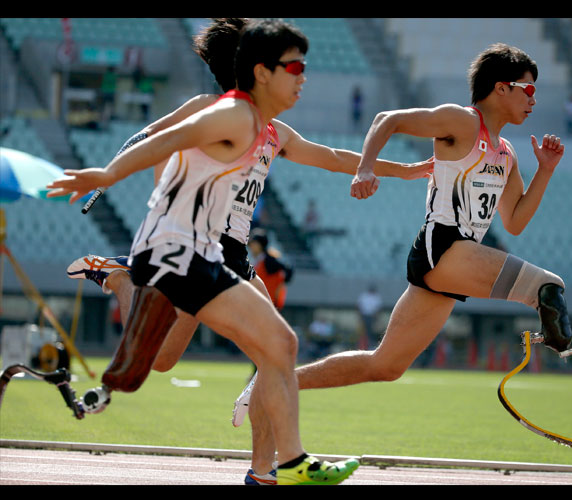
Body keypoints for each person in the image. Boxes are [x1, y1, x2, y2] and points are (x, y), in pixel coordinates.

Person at [62, 18, 432, 486]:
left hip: (224, 252)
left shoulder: (272, 132)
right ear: (257, 70)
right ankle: (120, 278)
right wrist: (106, 176)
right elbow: (157, 138)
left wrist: (406, 169)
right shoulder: (216, 110)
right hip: (183, 250)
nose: (302, 76)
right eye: (293, 66)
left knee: (247, 353)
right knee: (253, 351)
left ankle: (268, 469)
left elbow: (334, 158)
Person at [234, 43, 572, 468]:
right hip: (444, 249)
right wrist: (366, 168)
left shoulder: (506, 154)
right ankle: (555, 338)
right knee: (548, 288)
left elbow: (517, 220)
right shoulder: (461, 121)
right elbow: (387, 119)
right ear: (500, 88)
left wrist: (545, 170)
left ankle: (271, 385)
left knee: (385, 365)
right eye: (528, 89)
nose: (534, 99)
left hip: (456, 261)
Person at [248, 228, 293, 311]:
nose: (250, 246)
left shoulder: (269, 260)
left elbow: (288, 270)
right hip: (258, 302)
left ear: (259, 245)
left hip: (267, 304)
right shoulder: (258, 260)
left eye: (253, 243)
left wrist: (279, 285)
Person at [357, 284, 382, 349]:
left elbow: (378, 308)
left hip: (372, 316)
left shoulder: (376, 296)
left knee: (371, 331)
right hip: (364, 315)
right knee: (363, 331)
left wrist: (376, 317)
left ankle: (371, 344)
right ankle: (363, 344)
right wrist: (360, 316)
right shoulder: (364, 295)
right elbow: (359, 306)